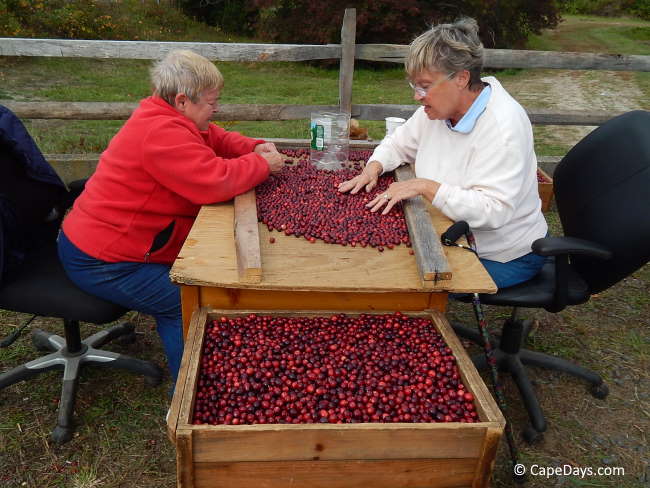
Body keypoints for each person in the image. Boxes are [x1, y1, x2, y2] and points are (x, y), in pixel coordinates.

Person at [57, 49, 284, 385]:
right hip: (102, 260)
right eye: (211, 101)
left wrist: (252, 147)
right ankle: (188, 393)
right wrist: (262, 165)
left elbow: (213, 136)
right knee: (184, 303)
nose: (215, 108)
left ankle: (207, 362)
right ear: (181, 101)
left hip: (111, 243)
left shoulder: (169, 116)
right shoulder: (160, 133)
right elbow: (214, 182)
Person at [339, 17, 548, 289]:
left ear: (461, 78)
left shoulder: (502, 128)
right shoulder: (438, 111)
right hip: (448, 231)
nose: (417, 96)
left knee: (402, 284)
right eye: (414, 85)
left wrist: (423, 186)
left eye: (425, 85)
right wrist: (374, 166)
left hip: (501, 254)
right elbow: (399, 142)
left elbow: (494, 211)